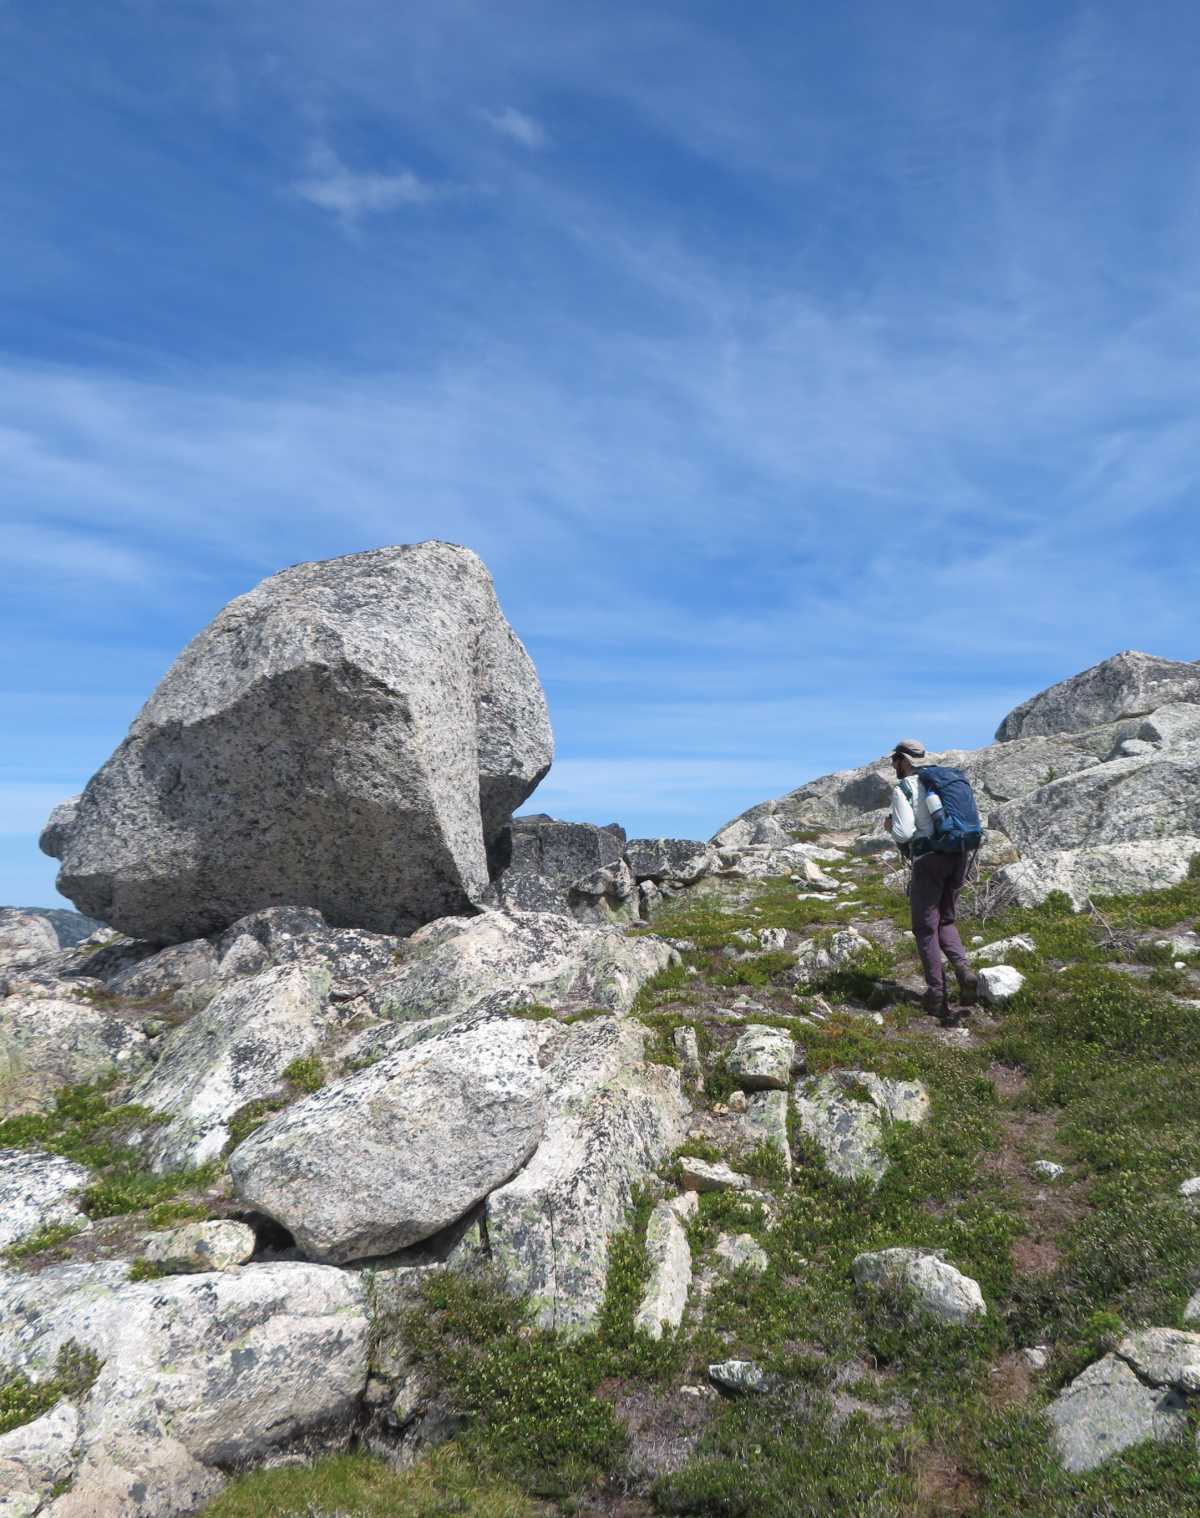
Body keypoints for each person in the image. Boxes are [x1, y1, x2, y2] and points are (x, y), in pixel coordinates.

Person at [883, 739, 979, 1018]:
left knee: (926, 927)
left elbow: (903, 833)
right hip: (957, 855)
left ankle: (936, 994)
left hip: (929, 860)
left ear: (903, 760)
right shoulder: (943, 780)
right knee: (946, 919)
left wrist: (891, 827)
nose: (892, 766)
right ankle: (962, 969)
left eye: (894, 761)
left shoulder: (905, 788)